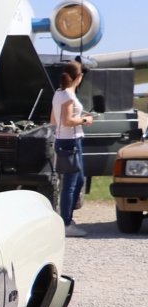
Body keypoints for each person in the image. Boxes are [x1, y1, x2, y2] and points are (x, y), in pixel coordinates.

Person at [52, 61, 94, 236]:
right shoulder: (69, 95)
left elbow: (54, 120)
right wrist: (85, 120)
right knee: (71, 183)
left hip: (65, 139)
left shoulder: (58, 93)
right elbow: (68, 120)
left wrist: (77, 118)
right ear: (79, 77)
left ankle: (66, 217)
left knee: (78, 180)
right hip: (71, 141)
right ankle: (65, 223)